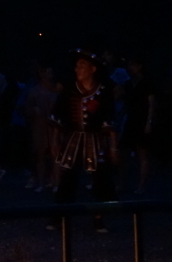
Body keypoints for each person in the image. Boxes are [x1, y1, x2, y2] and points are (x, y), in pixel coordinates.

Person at [50, 49, 118, 232]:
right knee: (67, 179)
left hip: (96, 141)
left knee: (100, 180)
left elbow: (109, 119)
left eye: (82, 66)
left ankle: (99, 218)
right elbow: (58, 116)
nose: (77, 69)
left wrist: (113, 147)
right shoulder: (70, 90)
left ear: (93, 69)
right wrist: (55, 141)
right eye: (77, 66)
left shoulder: (103, 92)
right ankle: (59, 217)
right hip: (73, 140)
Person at [119, 56, 157, 194]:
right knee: (123, 153)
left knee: (142, 154)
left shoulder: (147, 83)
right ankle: (123, 183)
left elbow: (152, 103)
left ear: (139, 66)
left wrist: (149, 122)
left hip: (142, 120)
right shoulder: (128, 84)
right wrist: (121, 117)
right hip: (131, 120)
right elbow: (125, 103)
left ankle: (141, 185)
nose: (130, 68)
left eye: (133, 65)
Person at [23, 62, 61, 192]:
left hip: (54, 126)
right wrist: (33, 109)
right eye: (47, 72)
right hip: (39, 126)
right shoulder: (34, 91)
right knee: (40, 155)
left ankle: (56, 182)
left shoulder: (56, 90)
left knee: (55, 154)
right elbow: (25, 109)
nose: (50, 75)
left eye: (51, 73)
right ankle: (40, 182)